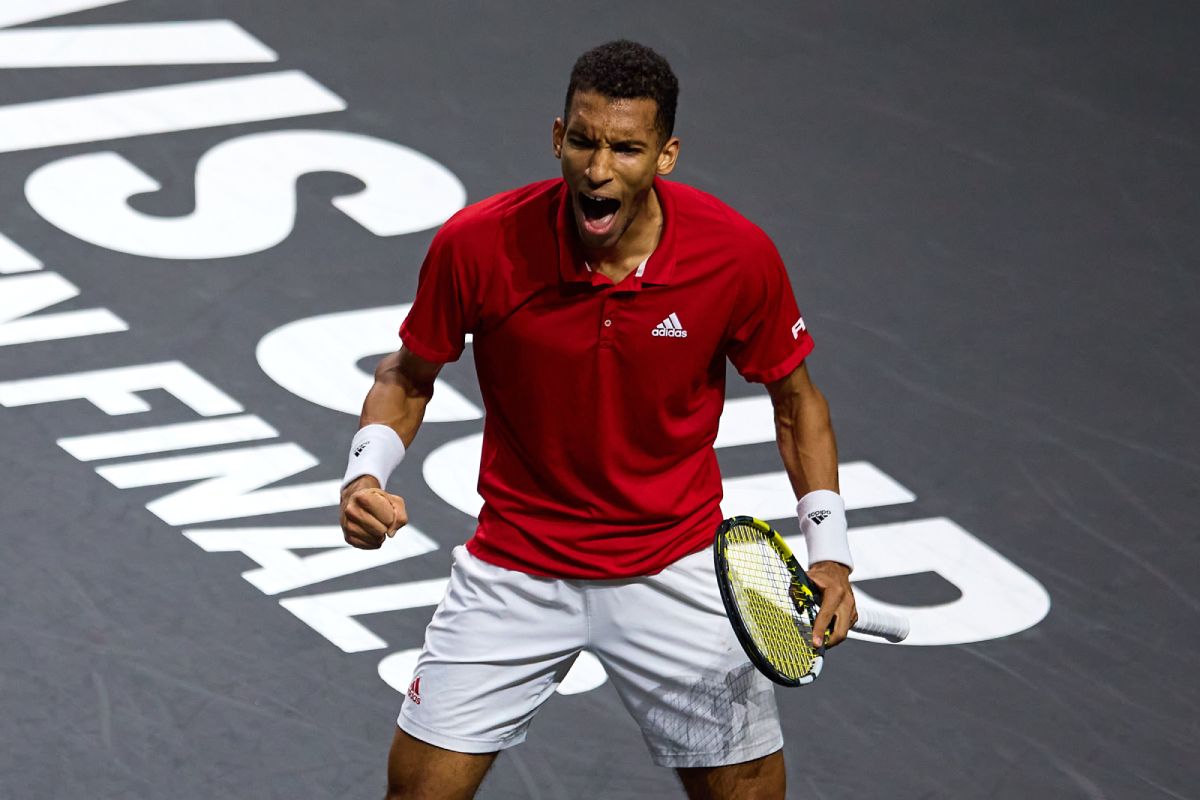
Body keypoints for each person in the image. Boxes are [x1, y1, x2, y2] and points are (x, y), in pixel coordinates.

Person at [339, 39, 858, 800]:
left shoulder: (734, 256)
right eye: (583, 141)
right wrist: (364, 475)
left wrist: (830, 554)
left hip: (675, 565)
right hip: (515, 568)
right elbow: (407, 376)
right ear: (558, 137)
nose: (598, 169)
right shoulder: (479, 244)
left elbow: (796, 401)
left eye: (626, 148)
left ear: (666, 155)